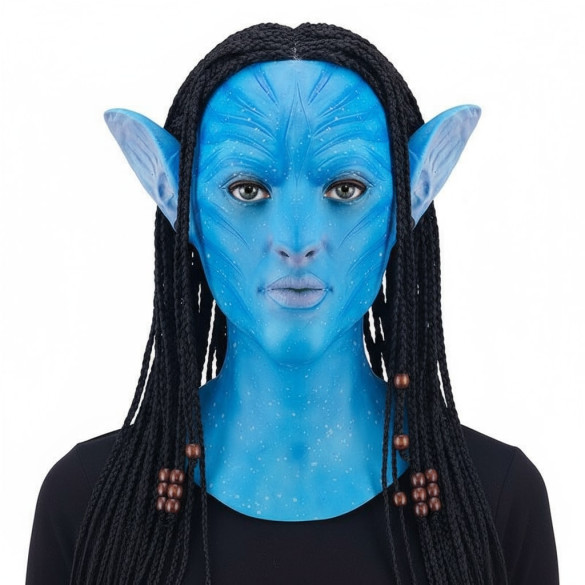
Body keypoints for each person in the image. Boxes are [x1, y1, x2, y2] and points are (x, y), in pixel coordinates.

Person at [26, 23, 558, 585]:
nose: (296, 239)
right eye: (247, 190)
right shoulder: (87, 506)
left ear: (413, 196)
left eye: (346, 189)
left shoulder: (496, 503)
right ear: (176, 199)